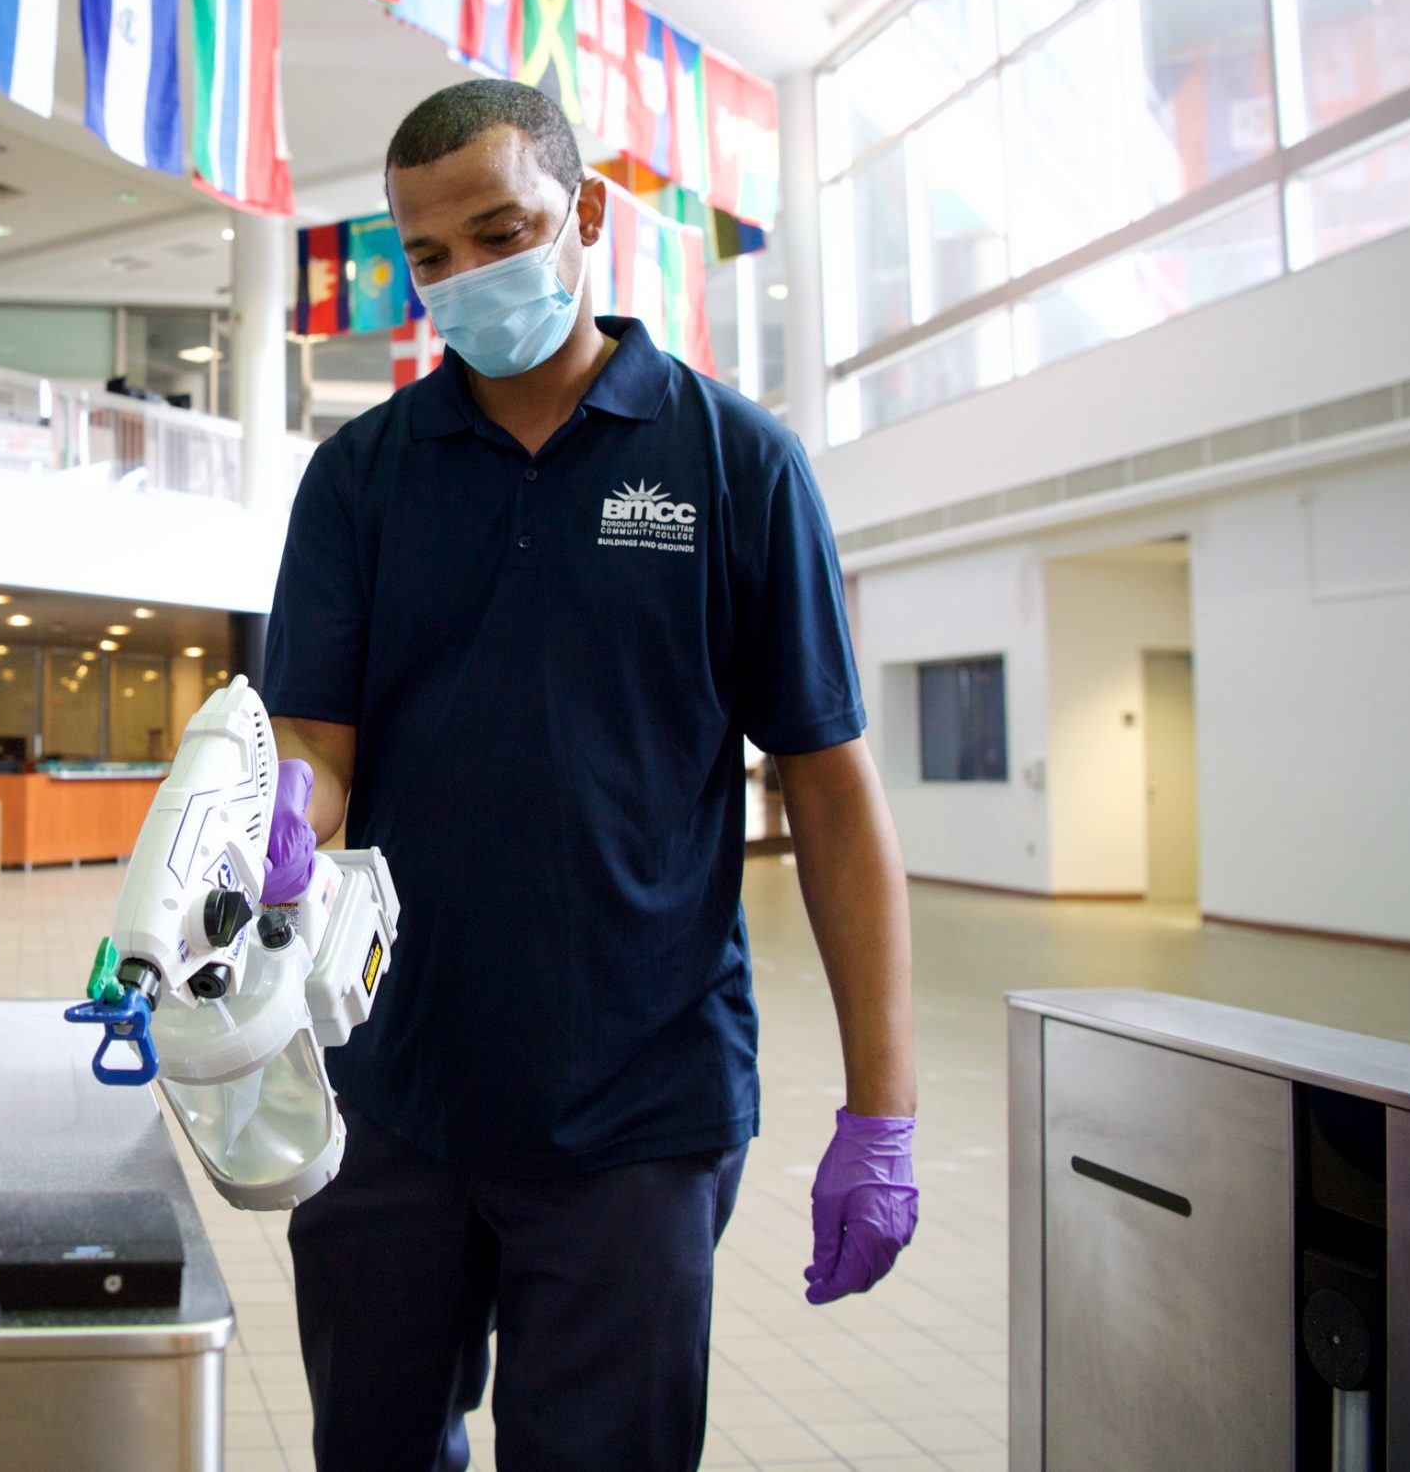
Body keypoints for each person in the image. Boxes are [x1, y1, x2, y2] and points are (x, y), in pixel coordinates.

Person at [257, 80, 918, 1472]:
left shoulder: (738, 464)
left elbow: (833, 789)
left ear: (591, 213)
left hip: (640, 1104)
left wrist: (882, 1108)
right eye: (430, 256)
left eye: (503, 230)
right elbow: (320, 746)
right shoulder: (362, 479)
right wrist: (276, 817)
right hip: (389, 1087)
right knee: (374, 1447)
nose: (467, 277)